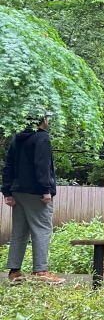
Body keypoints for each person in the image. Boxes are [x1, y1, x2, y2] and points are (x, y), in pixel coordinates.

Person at [1, 112, 65, 284]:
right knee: (42, 229)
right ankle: (41, 271)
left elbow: (8, 166)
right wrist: (46, 189)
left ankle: (14, 272)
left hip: (18, 192)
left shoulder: (17, 138)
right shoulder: (42, 138)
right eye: (47, 118)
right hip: (36, 193)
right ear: (43, 120)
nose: (48, 121)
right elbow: (42, 165)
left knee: (19, 232)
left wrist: (6, 191)